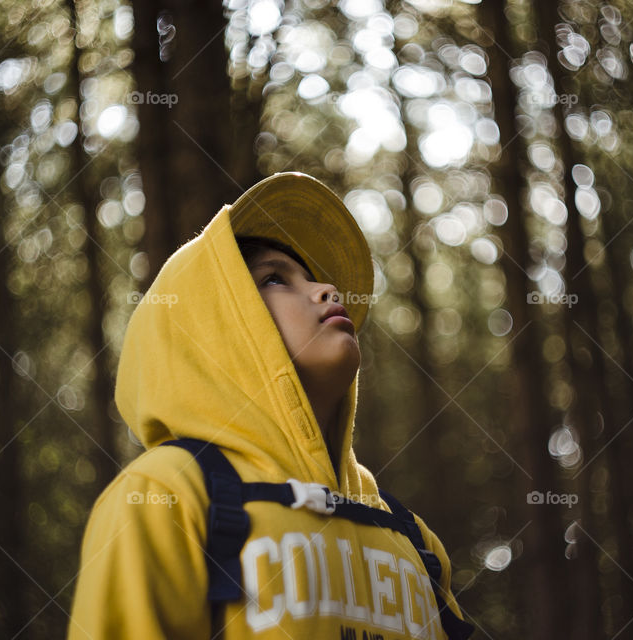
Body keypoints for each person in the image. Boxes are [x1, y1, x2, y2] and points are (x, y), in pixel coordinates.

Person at [67, 172, 473, 639]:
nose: (326, 290)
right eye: (276, 278)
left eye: (316, 277)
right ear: (215, 327)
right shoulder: (164, 497)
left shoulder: (412, 538)